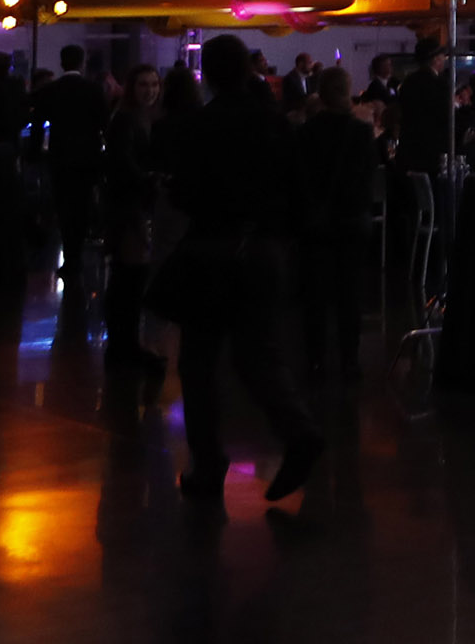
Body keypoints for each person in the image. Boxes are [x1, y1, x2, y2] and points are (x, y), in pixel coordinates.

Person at [159, 35, 323, 503]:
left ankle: (208, 465)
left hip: (212, 249)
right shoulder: (274, 126)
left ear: (206, 72)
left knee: (199, 363)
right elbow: (299, 193)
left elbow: (184, 194)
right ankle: (298, 428)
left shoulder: (197, 126)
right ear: (250, 71)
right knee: (259, 355)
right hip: (266, 250)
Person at [290, 68, 373, 382]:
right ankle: (350, 360)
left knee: (316, 296)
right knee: (349, 295)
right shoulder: (361, 132)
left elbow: (299, 179)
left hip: (316, 223)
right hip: (352, 220)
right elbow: (365, 179)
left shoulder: (306, 132)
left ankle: (316, 360)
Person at [101, 64, 169, 388]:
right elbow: (123, 164)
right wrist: (150, 180)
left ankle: (122, 344)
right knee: (130, 278)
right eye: (144, 85)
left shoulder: (132, 117)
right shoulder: (129, 119)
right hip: (130, 209)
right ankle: (123, 345)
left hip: (129, 206)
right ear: (132, 87)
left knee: (128, 279)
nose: (150, 91)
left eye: (154, 85)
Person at [31, 43, 107, 289]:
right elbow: (104, 123)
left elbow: (37, 123)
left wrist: (33, 152)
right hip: (87, 156)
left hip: (60, 155)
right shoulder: (93, 90)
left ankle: (70, 254)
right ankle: (76, 255)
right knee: (83, 205)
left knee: (64, 205)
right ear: (82, 62)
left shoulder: (50, 91)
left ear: (62, 63)